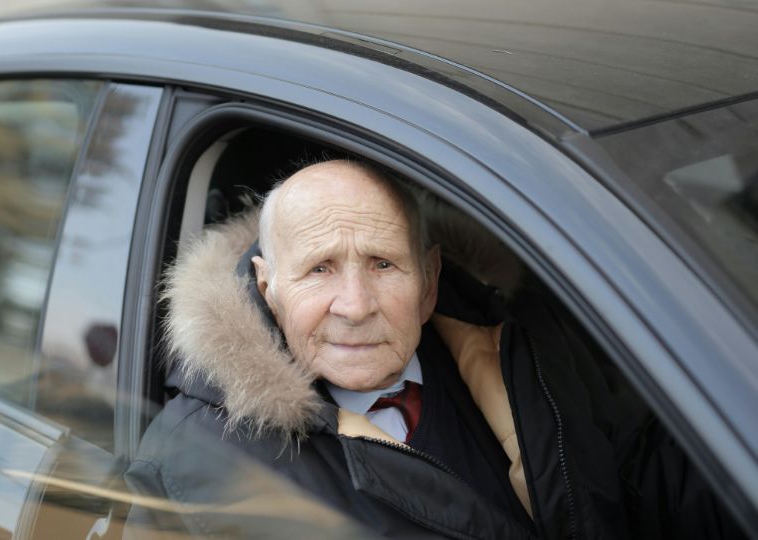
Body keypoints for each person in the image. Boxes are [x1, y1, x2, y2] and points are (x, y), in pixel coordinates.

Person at [124, 160, 743, 539]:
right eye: (319, 270)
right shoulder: (190, 469)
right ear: (268, 286)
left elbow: (666, 487)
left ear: (429, 282)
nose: (356, 303)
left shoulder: (532, 352)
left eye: (384, 264)